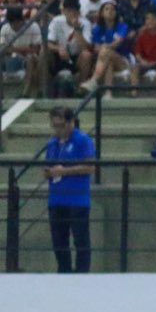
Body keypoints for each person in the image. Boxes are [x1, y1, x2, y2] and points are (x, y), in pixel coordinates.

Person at [40, 106, 95, 273]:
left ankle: (82, 274)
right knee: (59, 241)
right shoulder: (52, 143)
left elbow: (90, 166)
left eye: (61, 125)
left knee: (80, 240)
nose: (58, 130)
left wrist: (63, 171)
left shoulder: (82, 140)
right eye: (54, 126)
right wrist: (49, 172)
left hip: (77, 199)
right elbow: (48, 165)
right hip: (56, 198)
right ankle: (63, 271)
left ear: (71, 122)